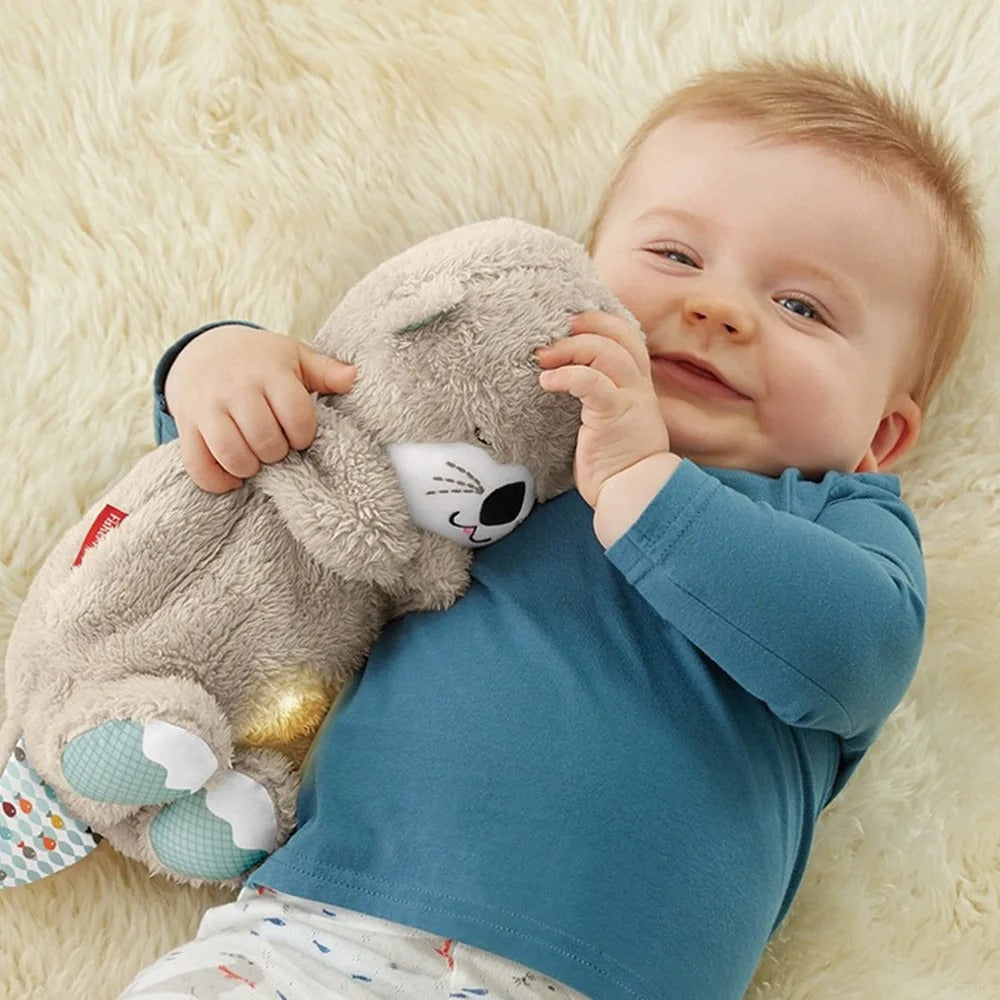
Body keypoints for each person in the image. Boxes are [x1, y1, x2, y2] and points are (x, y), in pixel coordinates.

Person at [120, 60, 983, 1000]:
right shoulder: (509, 419)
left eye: (802, 307)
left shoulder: (836, 516)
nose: (716, 310)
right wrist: (218, 369)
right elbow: (319, 472)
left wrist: (644, 485)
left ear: (881, 436)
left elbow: (856, 653)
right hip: (319, 925)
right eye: (676, 257)